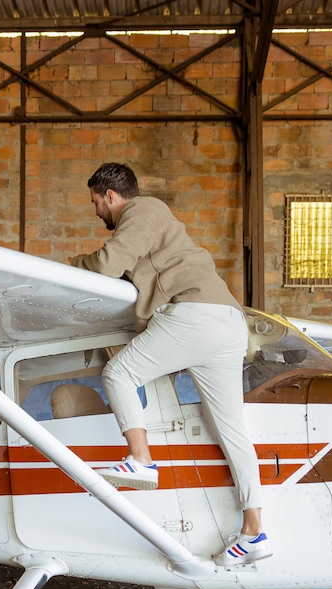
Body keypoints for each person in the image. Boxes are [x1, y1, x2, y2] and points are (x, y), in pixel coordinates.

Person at [68, 162, 269, 567]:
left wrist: (73, 264)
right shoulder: (158, 227)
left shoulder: (142, 210)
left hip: (195, 315)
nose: (96, 212)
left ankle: (141, 459)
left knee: (119, 373)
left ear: (111, 196)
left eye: (96, 203)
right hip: (228, 323)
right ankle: (254, 532)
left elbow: (108, 263)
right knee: (231, 430)